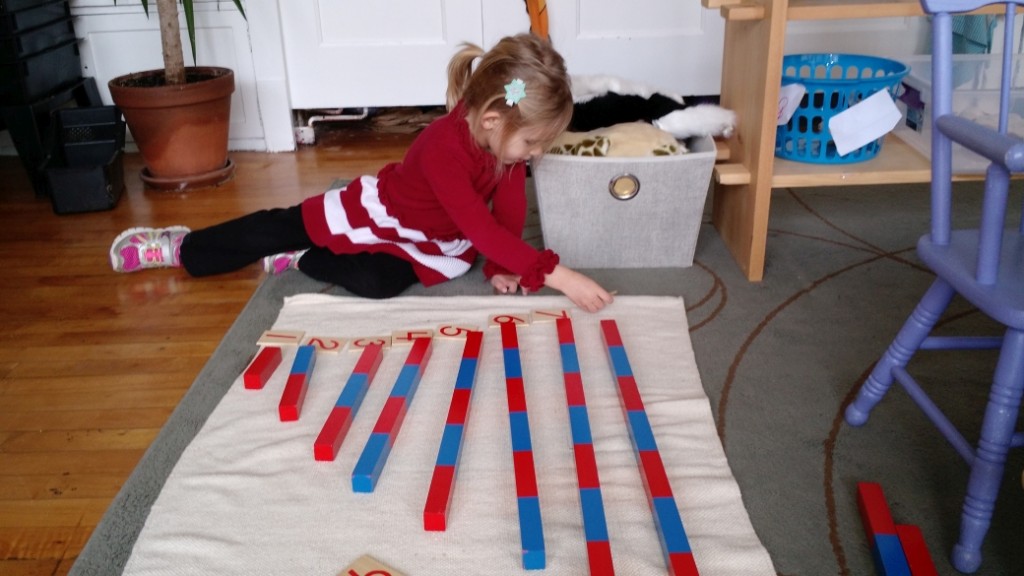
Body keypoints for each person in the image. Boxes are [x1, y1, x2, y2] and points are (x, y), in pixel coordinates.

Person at [109, 34, 614, 313]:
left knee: (377, 282)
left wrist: (500, 266)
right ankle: (181, 248)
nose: (536, 154)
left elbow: (506, 212)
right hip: (380, 211)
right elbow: (480, 226)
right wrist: (557, 275)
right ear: (490, 119)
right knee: (276, 224)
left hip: (432, 239)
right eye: (533, 143)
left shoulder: (506, 149)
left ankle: (304, 260)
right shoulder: (443, 146)